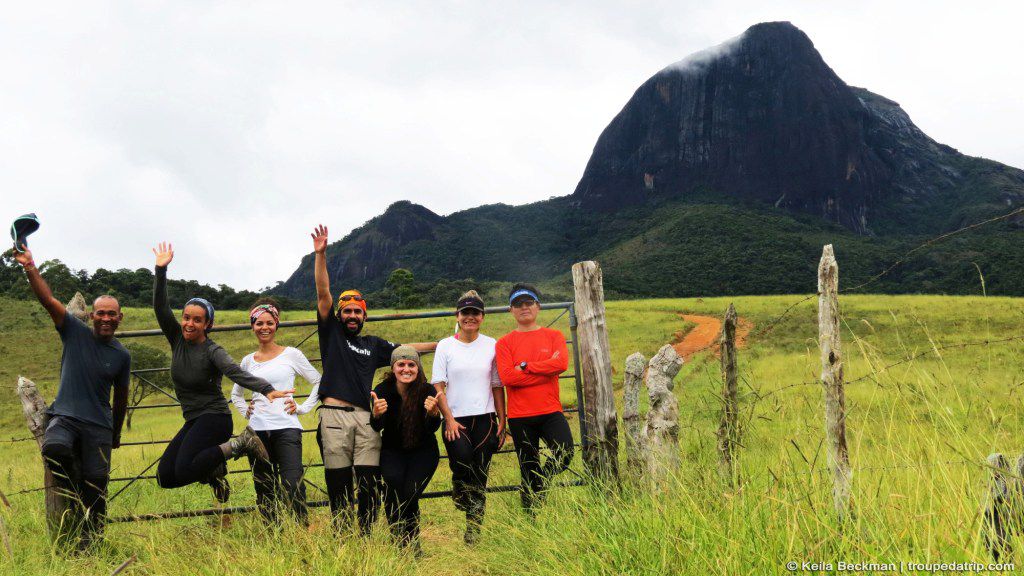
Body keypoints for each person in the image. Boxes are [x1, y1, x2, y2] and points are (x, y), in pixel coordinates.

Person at [309, 224, 436, 535]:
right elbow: (323, 293)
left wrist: (444, 344)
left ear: (364, 316)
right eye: (347, 311)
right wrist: (321, 255)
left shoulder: (374, 345)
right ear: (339, 315)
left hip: (367, 419)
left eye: (358, 312)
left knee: (369, 483)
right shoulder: (331, 334)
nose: (352, 316)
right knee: (338, 482)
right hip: (334, 417)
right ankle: (343, 538)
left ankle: (365, 537)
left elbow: (406, 350)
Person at [151, 242, 292, 502]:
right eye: (186, 317)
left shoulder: (212, 351)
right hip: (193, 419)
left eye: (197, 320)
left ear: (208, 324)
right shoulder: (177, 339)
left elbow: (235, 372)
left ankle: (242, 443)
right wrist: (161, 270)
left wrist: (266, 389)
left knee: (184, 468)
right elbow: (160, 308)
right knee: (165, 477)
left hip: (215, 418)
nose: (189, 323)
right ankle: (213, 471)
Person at [11, 242, 130, 548]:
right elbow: (47, 300)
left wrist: (115, 434)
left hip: (99, 425)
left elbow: (121, 399)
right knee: (54, 447)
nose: (106, 318)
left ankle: (92, 545)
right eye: (101, 313)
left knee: (97, 488)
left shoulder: (122, 355)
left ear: (120, 317)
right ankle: (76, 486)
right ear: (91, 315)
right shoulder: (74, 331)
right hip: (65, 416)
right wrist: (30, 266)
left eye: (112, 314)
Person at [230, 298, 321, 523]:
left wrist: (301, 408)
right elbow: (236, 394)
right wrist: (246, 411)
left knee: (292, 483)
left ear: (276, 324)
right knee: (264, 487)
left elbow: (318, 381)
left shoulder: (291, 354)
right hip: (257, 433)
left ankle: (301, 530)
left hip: (287, 428)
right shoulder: (247, 361)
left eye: (269, 323)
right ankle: (272, 532)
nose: (264, 327)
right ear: (252, 326)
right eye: (259, 323)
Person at [431, 290, 505, 544]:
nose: (470, 317)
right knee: (462, 461)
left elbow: (497, 385)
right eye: (465, 312)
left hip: (485, 417)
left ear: (482, 316)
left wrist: (502, 419)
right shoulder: (445, 345)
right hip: (456, 418)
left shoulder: (492, 344)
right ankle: (458, 485)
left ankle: (473, 529)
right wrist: (449, 419)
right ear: (457, 315)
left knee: (480, 472)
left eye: (475, 312)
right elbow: (438, 385)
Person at [495, 283, 574, 512]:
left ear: (538, 306)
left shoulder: (554, 336)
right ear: (511, 310)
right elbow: (508, 378)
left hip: (550, 411)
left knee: (565, 452)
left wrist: (525, 366)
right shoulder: (504, 343)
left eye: (528, 302)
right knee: (527, 465)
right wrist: (545, 372)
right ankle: (531, 516)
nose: (524, 307)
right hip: (520, 416)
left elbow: (561, 364)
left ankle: (542, 480)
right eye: (518, 304)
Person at [370, 346, 441, 551]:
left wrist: (434, 414)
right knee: (393, 488)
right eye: (401, 364)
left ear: (418, 368)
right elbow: (377, 427)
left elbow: (432, 428)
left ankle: (412, 542)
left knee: (410, 493)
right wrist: (376, 414)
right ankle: (398, 541)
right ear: (393, 368)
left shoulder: (427, 391)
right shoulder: (382, 390)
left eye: (412, 364)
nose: (406, 369)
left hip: (423, 451)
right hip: (393, 450)